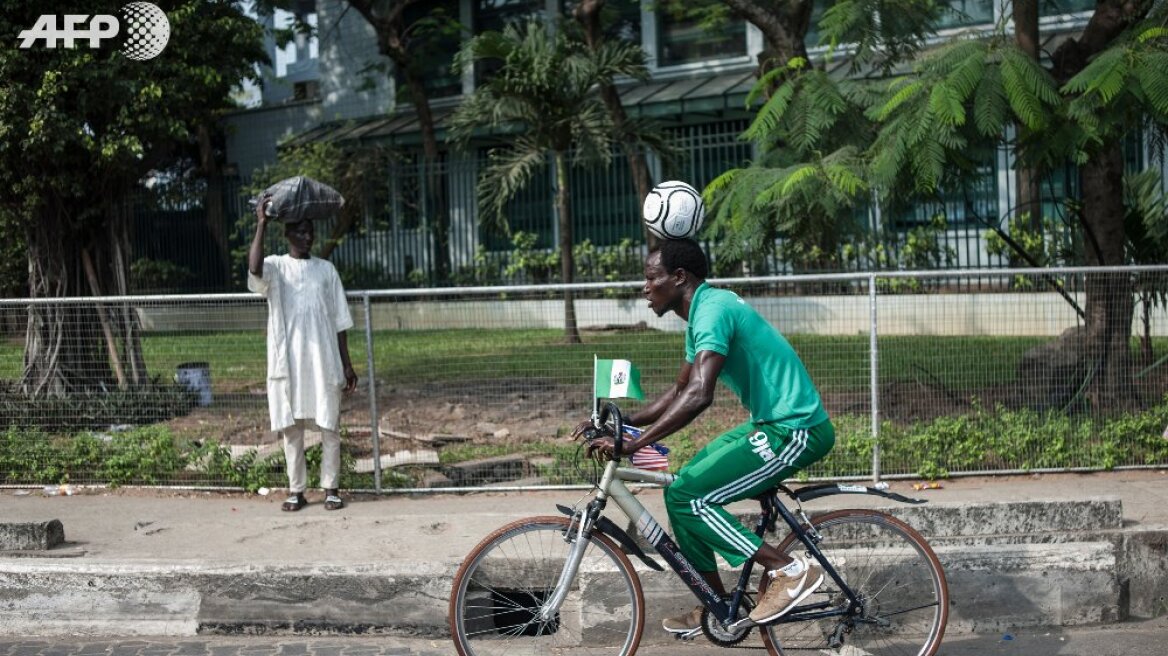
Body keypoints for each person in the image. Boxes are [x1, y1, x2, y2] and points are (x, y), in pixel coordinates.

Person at [576, 238, 835, 635]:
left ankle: (789, 569)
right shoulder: (701, 313)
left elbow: (700, 395)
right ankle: (717, 607)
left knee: (690, 497)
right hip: (769, 424)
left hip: (796, 429)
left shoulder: (712, 311)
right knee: (680, 490)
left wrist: (633, 444)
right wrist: (623, 422)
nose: (645, 287)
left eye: (651, 278)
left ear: (679, 277)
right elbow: (680, 389)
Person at [248, 195, 358, 512]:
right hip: (290, 361)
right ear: (288, 235)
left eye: (310, 231)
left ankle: (331, 489)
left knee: (329, 427)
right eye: (301, 232)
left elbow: (340, 320)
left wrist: (347, 365)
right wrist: (261, 223)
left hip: (324, 361)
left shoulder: (326, 270)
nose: (307, 237)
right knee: (292, 429)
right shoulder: (276, 267)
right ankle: (296, 491)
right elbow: (254, 268)